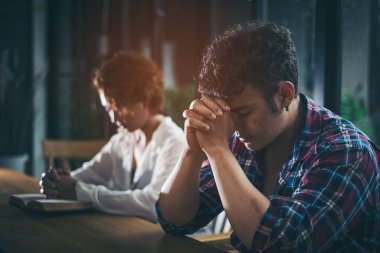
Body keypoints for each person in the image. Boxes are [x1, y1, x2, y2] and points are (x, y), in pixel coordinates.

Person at [156, 21, 380, 252]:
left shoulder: (347, 152)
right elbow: (174, 221)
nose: (234, 126)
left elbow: (283, 244)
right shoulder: (246, 140)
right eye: (227, 114)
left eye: (243, 112)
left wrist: (218, 151)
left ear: (284, 95)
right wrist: (192, 152)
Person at [41, 51, 186, 222]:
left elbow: (155, 205)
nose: (114, 118)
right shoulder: (124, 138)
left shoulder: (173, 142)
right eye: (109, 109)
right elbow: (89, 173)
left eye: (119, 107)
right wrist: (59, 181)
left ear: (143, 98)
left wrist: (81, 191)